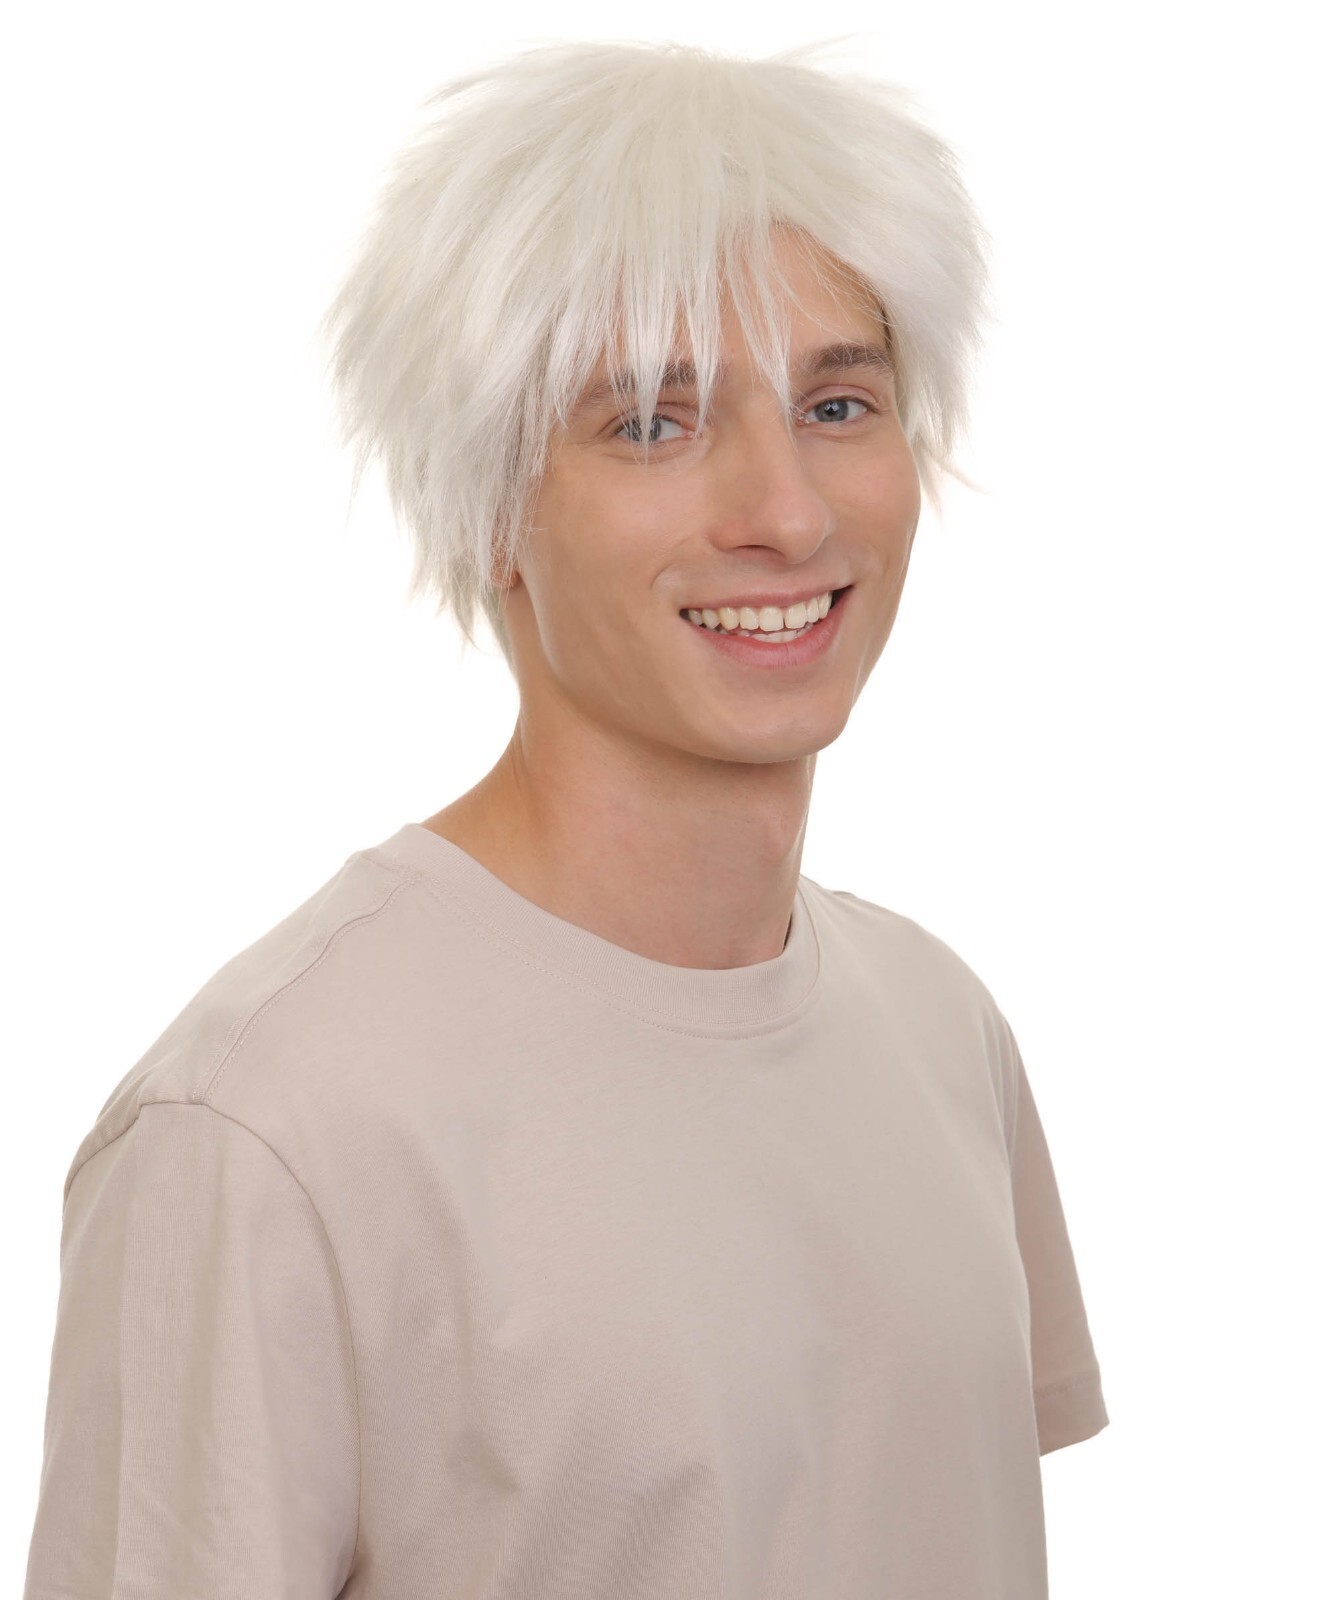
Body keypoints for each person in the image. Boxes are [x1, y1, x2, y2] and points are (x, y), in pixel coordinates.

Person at [22, 35, 1109, 1600]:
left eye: (838, 402)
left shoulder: (943, 1028)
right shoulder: (268, 1129)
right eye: (653, 423)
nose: (788, 511)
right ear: (490, 509)